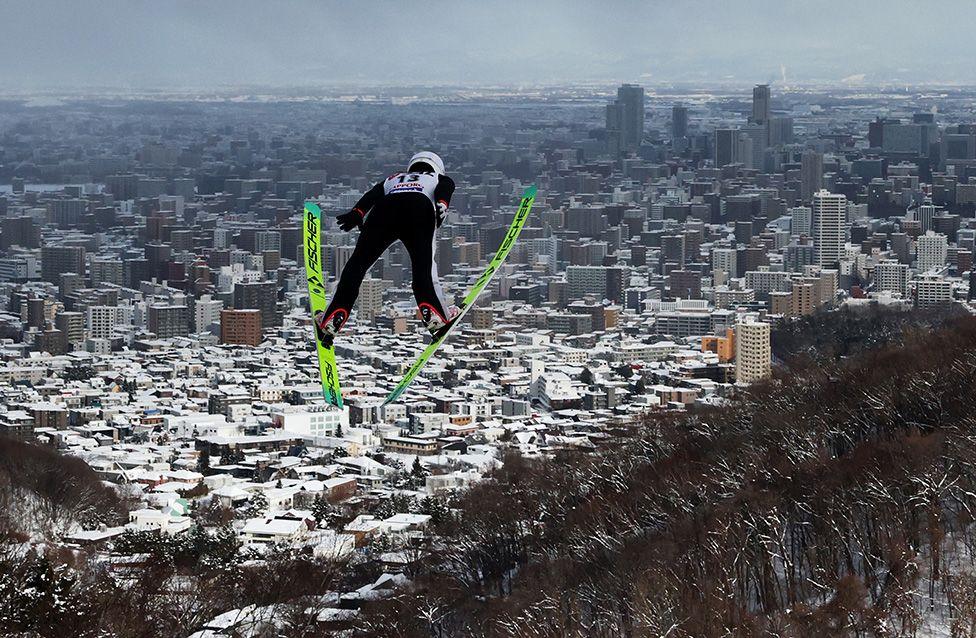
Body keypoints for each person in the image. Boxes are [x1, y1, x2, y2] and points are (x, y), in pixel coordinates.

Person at [314, 151, 458, 347]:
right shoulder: (435, 177)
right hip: (418, 208)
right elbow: (447, 185)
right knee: (422, 266)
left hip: (384, 210)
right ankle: (435, 315)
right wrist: (442, 203)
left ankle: (332, 318)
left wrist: (358, 212)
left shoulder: (393, 178)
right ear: (436, 166)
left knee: (357, 264)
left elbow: (372, 194)